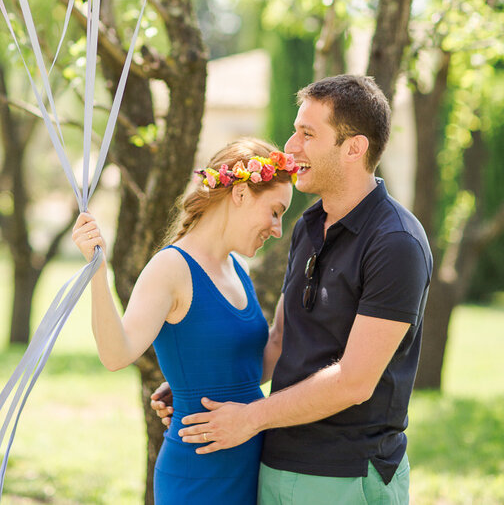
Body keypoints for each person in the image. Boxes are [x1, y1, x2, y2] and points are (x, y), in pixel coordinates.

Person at [153, 74, 433, 504]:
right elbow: (281, 340)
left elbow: (354, 381)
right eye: (294, 130)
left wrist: (250, 417)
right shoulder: (307, 226)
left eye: (307, 134)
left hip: (346, 475)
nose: (290, 147)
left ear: (354, 148)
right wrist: (210, 381)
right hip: (275, 463)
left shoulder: (395, 242)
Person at [72, 137, 296, 505]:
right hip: (198, 476)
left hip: (250, 466)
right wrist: (96, 269)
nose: (277, 228)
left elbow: (252, 364)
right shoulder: (171, 268)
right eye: (275, 211)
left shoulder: (235, 269)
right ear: (239, 194)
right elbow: (115, 354)